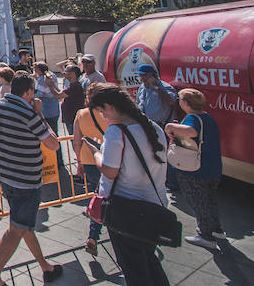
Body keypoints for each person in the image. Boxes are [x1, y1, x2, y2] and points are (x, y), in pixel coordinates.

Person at [0, 73, 63, 286]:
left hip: (6, 174)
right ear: (27, 92)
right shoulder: (29, 113)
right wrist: (40, 115)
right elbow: (54, 145)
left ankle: (46, 267)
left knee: (24, 225)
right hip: (27, 179)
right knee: (17, 228)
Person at [88, 83, 169, 286]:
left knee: (134, 269)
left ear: (109, 106)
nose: (103, 117)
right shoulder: (153, 127)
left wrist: (96, 153)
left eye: (101, 112)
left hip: (127, 212)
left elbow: (109, 171)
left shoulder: (116, 133)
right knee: (149, 261)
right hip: (154, 205)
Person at [165, 88, 225, 250]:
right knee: (210, 200)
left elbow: (191, 132)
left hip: (195, 169)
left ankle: (205, 235)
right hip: (212, 167)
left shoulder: (192, 118)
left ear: (185, 103)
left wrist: (170, 126)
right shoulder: (207, 117)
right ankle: (216, 229)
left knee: (198, 201)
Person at [71, 82, 109, 256]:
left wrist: (79, 162)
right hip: (111, 159)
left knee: (98, 195)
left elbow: (76, 141)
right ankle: (98, 233)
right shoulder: (110, 113)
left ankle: (93, 235)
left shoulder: (81, 114)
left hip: (89, 160)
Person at [135, 63, 180, 191]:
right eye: (140, 75)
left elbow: (171, 102)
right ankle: (161, 180)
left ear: (152, 75)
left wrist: (157, 88)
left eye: (144, 75)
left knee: (168, 155)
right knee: (154, 155)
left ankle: (173, 183)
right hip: (150, 126)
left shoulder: (164, 87)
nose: (141, 78)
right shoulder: (142, 88)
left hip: (164, 126)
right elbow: (140, 105)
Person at [60, 64, 85, 136]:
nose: (64, 73)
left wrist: (50, 85)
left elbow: (58, 95)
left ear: (73, 74)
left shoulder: (75, 86)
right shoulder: (72, 85)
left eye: (66, 71)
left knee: (75, 139)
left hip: (72, 118)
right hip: (70, 118)